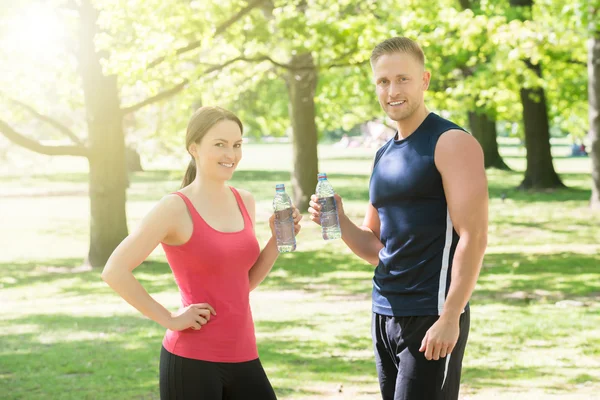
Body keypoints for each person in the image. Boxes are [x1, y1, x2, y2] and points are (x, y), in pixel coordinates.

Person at [308, 37, 488, 400]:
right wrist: (339, 219)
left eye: (403, 79)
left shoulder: (452, 142)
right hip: (384, 312)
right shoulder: (383, 155)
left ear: (424, 80)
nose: (392, 90)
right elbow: (376, 248)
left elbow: (474, 236)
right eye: (383, 81)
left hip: (431, 314)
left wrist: (450, 316)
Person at [101, 106, 302, 400]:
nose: (230, 154)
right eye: (219, 145)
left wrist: (276, 240)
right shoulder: (175, 208)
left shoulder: (244, 200)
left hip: (244, 353)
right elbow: (114, 270)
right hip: (191, 361)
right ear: (194, 148)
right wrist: (170, 318)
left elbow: (240, 285)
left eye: (236, 145)